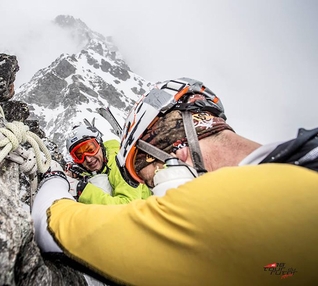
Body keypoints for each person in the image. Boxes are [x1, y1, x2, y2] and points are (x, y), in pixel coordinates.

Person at [32, 77, 318, 285]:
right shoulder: (304, 156)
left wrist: (55, 177)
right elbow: (280, 269)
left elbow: (50, 225)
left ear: (175, 157)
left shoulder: (208, 209)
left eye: (150, 176)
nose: (153, 189)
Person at [64, 123, 151, 204]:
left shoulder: (121, 164)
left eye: (90, 149)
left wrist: (84, 191)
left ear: (100, 144)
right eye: (79, 156)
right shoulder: (87, 170)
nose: (88, 159)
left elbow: (128, 206)